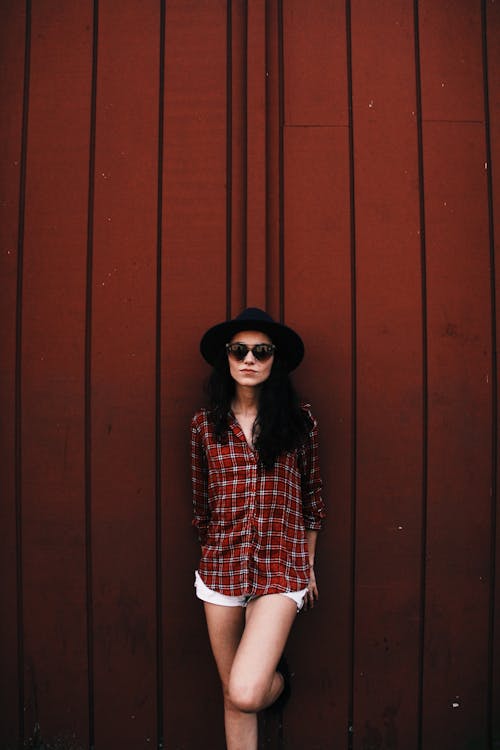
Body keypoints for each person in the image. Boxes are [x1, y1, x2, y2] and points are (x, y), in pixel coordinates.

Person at [190, 307, 326, 750]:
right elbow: (201, 505)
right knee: (232, 697)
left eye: (261, 351)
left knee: (247, 691)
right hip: (221, 572)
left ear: (274, 361)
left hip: (280, 570)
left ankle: (277, 681)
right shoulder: (204, 427)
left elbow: (313, 500)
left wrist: (307, 563)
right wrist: (213, 550)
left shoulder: (299, 423)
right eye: (239, 350)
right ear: (226, 359)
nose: (249, 359)